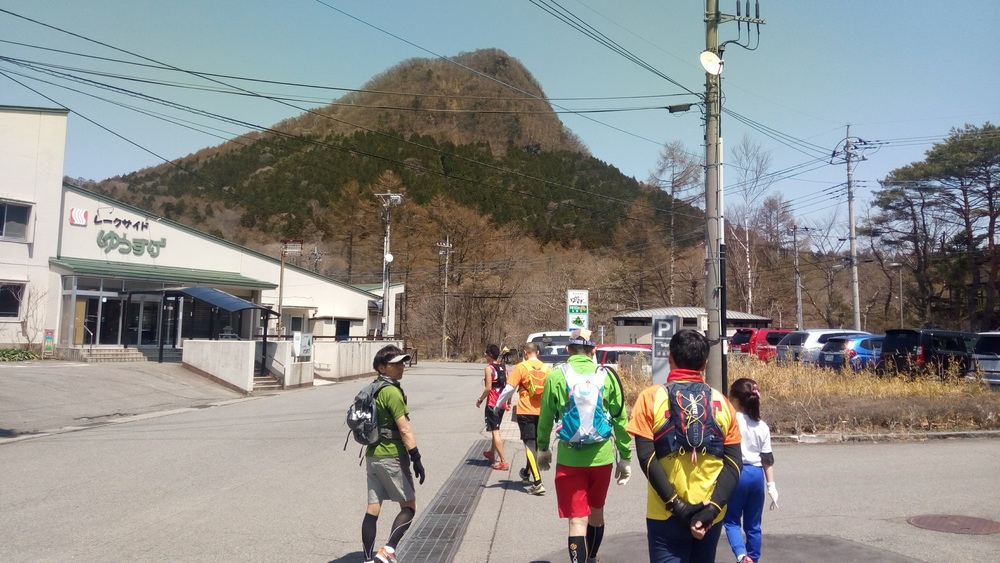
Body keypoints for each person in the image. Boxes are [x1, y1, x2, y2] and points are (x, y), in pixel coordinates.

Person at [626, 329, 743, 563]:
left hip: (664, 512)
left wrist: (676, 505)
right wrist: (712, 509)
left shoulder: (650, 398)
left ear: (670, 357)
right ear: (705, 363)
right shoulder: (722, 402)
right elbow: (734, 463)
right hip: (709, 514)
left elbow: (646, 458)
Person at [536, 328, 632, 563]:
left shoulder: (556, 376)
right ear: (594, 350)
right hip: (602, 458)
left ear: (568, 349)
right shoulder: (607, 376)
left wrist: (543, 448)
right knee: (596, 513)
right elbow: (620, 419)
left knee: (577, 520)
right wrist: (625, 457)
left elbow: (545, 418)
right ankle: (592, 558)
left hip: (569, 459)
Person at [361, 345, 426, 563]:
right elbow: (405, 429)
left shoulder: (374, 388)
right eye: (395, 363)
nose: (401, 367)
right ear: (382, 367)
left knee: (373, 508)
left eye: (402, 362)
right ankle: (388, 551)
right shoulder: (391, 392)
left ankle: (368, 559)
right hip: (392, 455)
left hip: (372, 455)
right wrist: (416, 458)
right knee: (409, 506)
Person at [722, 378, 778, 563]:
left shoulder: (730, 419)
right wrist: (771, 486)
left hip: (736, 473)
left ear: (735, 398)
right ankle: (753, 558)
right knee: (753, 525)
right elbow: (767, 459)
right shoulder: (761, 426)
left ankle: (741, 555)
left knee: (731, 520)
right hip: (756, 475)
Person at [494, 341, 550, 495]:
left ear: (525, 353)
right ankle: (526, 473)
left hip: (525, 410)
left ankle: (538, 482)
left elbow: (509, 389)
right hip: (542, 412)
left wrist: (498, 405)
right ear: (537, 353)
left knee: (529, 445)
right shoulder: (547, 369)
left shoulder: (521, 367)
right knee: (534, 445)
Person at [476, 343, 509, 470]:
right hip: (502, 402)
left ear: (490, 355)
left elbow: (488, 388)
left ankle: (503, 461)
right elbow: (508, 386)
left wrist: (480, 400)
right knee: (497, 428)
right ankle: (491, 452)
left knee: (495, 431)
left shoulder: (489, 368)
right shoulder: (504, 367)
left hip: (492, 403)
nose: (485, 355)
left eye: (486, 353)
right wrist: (509, 402)